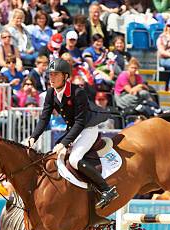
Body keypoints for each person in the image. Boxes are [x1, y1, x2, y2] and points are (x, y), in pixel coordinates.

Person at [27, 59, 119, 209]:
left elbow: (80, 123)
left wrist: (64, 143)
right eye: (50, 74)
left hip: (88, 128)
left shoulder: (78, 92)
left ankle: (106, 189)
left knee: (75, 159)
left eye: (55, 74)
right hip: (73, 129)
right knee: (53, 156)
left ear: (65, 76)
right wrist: (33, 137)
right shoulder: (51, 93)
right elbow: (44, 118)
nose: (51, 77)